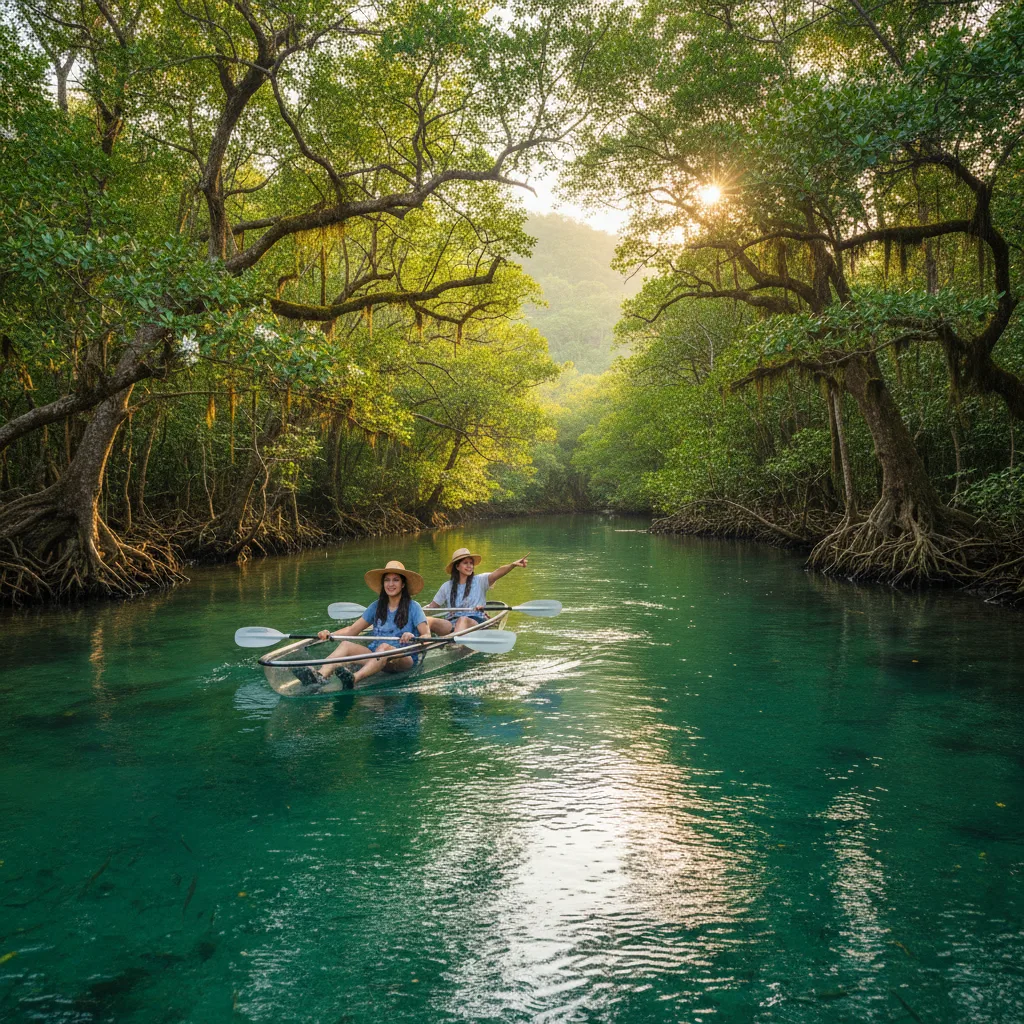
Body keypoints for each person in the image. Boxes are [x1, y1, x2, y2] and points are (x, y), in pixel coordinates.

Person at [295, 560, 430, 692]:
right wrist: (329, 634)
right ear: (383, 584)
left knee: (384, 648)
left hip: (404, 659)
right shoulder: (376, 606)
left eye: (395, 580)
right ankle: (320, 676)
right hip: (376, 655)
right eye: (387, 580)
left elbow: (427, 636)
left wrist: (412, 636)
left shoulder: (414, 607)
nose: (390, 584)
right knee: (346, 645)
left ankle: (354, 679)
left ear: (403, 584)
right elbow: (352, 630)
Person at [424, 547, 528, 636]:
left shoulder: (480, 580)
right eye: (465, 563)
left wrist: (512, 565)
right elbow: (433, 607)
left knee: (463, 619)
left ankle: (453, 644)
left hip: (475, 622)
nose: (469, 566)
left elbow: (497, 573)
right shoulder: (446, 586)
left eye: (471, 563)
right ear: (457, 566)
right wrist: (419, 612)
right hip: (452, 623)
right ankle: (425, 645)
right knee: (427, 621)